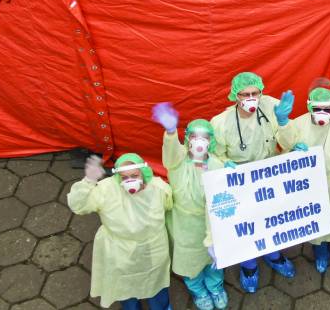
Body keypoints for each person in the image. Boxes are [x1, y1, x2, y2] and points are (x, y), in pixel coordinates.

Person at [209, 71, 296, 293]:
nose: (250, 98)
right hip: (240, 182)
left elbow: (288, 142)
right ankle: (249, 266)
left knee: (272, 219)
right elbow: (215, 155)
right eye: (244, 94)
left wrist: (284, 122)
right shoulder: (220, 123)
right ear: (234, 95)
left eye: (255, 93)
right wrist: (225, 164)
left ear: (261, 92)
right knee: (246, 226)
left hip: (269, 176)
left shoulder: (272, 107)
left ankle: (273, 255)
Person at [67, 154, 173, 309]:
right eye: (124, 177)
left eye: (134, 176)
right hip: (119, 250)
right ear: (117, 177)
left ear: (144, 173)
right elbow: (78, 206)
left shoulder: (158, 188)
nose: (130, 181)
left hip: (152, 247)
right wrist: (88, 181)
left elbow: (168, 205)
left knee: (156, 282)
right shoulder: (106, 190)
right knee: (125, 285)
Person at [276, 86, 330, 273]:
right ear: (309, 107)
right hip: (310, 183)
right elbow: (285, 142)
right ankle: (321, 254)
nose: (322, 113)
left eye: (327, 109)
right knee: (315, 222)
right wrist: (283, 125)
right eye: (317, 109)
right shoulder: (299, 123)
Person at [153, 102, 231, 310]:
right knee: (188, 261)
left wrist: (230, 172)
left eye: (204, 137)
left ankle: (215, 286)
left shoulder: (216, 165)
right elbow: (171, 152)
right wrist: (171, 133)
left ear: (211, 141)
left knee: (212, 259)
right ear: (187, 139)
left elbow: (223, 196)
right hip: (183, 223)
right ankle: (198, 290)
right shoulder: (177, 161)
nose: (199, 142)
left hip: (209, 222)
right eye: (194, 137)